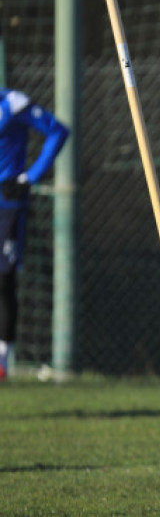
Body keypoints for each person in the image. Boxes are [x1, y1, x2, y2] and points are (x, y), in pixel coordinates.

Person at [0, 88, 69, 381]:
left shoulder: (12, 104)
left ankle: (2, 362)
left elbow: (57, 130)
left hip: (7, 203)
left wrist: (31, 176)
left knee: (3, 281)